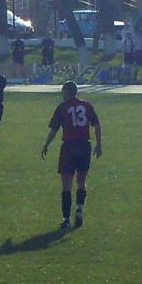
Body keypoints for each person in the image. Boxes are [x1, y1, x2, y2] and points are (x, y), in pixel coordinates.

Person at [40, 81, 102, 230]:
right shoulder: (87, 106)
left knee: (66, 184)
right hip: (84, 145)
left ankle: (66, 219)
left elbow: (54, 129)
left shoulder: (62, 107)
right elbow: (97, 125)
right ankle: (79, 209)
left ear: (67, 92)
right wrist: (99, 144)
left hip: (69, 146)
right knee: (81, 180)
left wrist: (46, 144)